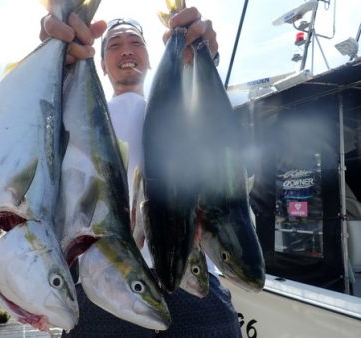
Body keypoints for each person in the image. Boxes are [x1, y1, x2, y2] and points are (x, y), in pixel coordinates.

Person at [40, 6, 242, 338]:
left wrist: (202, 60)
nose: (126, 50)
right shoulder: (78, 116)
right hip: (102, 278)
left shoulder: (178, 110)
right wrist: (58, 57)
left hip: (187, 273)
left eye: (135, 42)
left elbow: (217, 135)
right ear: (101, 65)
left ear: (150, 58)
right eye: (114, 45)